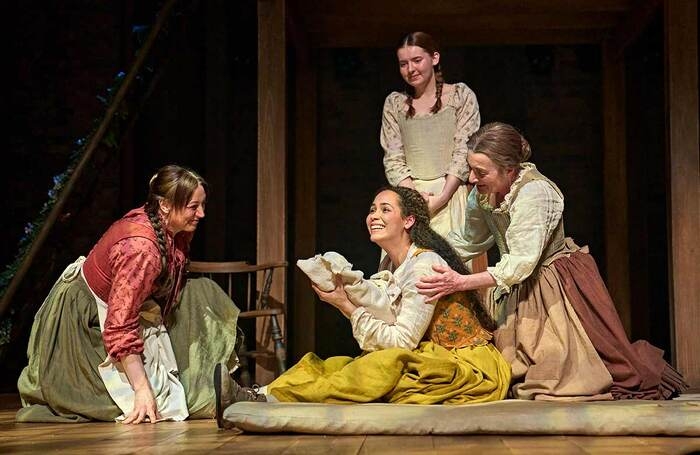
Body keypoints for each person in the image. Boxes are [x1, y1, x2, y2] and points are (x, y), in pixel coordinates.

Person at [416, 122, 689, 401]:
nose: (472, 178)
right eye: (471, 169)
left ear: (509, 169)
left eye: (481, 172)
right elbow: (468, 240)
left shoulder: (535, 193)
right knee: (508, 370)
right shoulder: (482, 194)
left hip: (552, 282)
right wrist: (421, 250)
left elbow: (522, 262)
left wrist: (460, 282)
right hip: (514, 281)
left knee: (559, 372)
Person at [214, 186, 511, 428]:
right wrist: (345, 296)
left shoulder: (424, 266)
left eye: (385, 209)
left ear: (408, 221)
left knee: (376, 367)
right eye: (372, 209)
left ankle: (260, 400)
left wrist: (347, 306)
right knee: (334, 365)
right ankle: (257, 394)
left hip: (466, 366)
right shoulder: (392, 266)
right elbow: (390, 320)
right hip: (430, 355)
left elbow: (401, 342)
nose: (374, 216)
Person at [17, 164, 241, 424]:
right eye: (193, 207)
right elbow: (120, 325)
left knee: (204, 292)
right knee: (154, 402)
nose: (201, 214)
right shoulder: (141, 249)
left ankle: (220, 388)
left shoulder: (168, 226)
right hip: (86, 317)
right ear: (165, 205)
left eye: (202, 205)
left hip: (131, 307)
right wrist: (141, 389)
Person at [380, 31, 480, 238]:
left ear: (434, 58)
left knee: (452, 253)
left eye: (417, 60)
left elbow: (464, 150)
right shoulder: (395, 104)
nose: (411, 69)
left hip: (452, 194)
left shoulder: (460, 96)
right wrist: (415, 199)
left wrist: (442, 197)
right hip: (410, 197)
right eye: (403, 64)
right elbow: (393, 157)